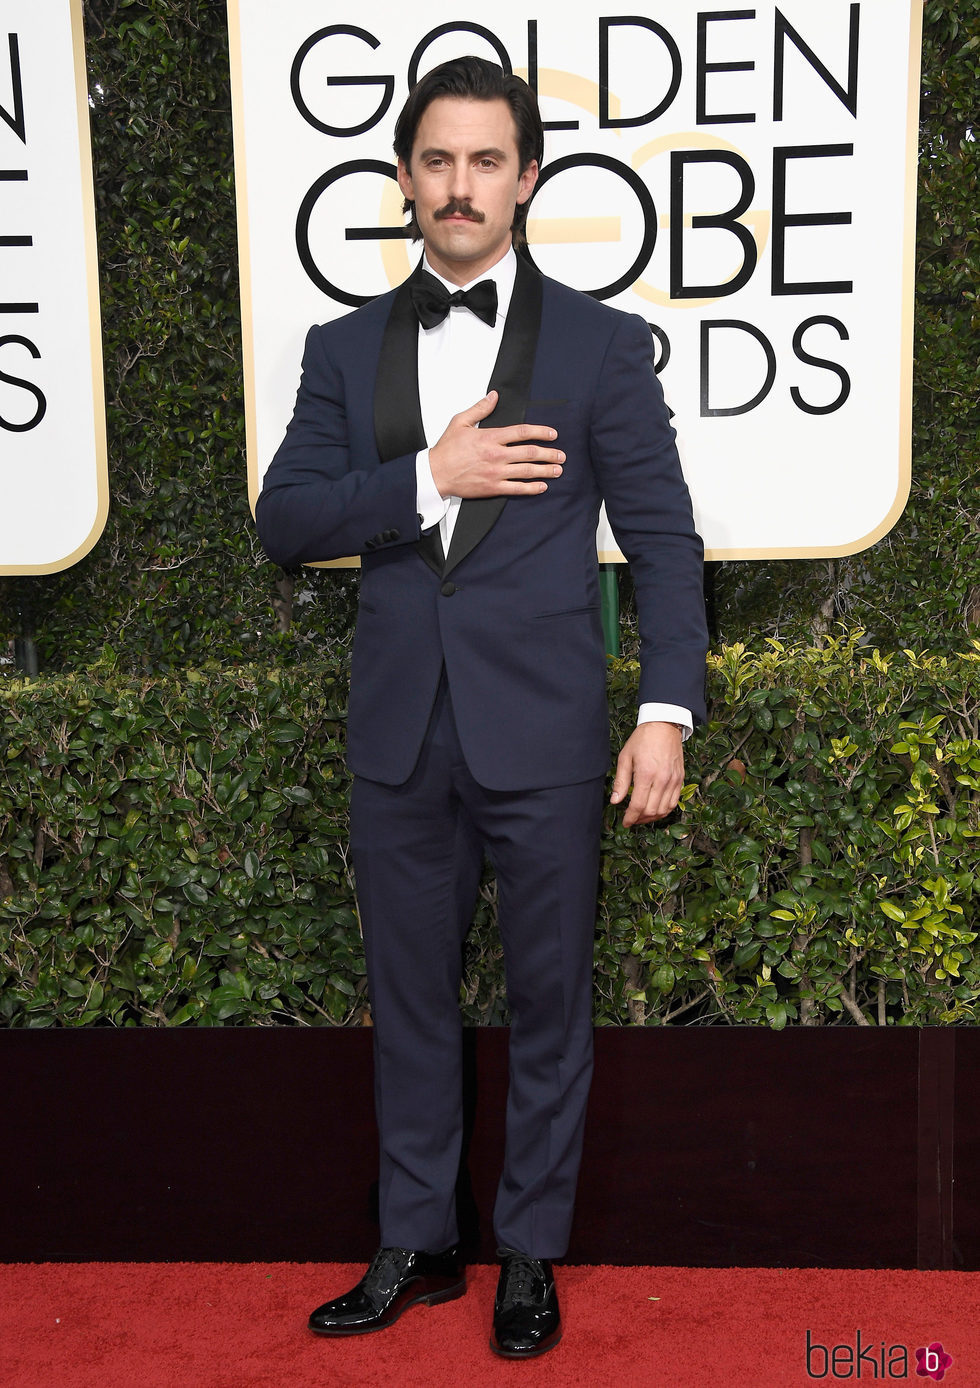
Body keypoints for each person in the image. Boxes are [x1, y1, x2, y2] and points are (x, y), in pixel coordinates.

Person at [256, 55, 708, 1359]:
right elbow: (284, 520)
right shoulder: (343, 350)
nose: (461, 186)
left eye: (486, 161)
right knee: (408, 1001)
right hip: (400, 739)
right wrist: (425, 474)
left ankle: (529, 1254)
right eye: (438, 160)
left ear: (525, 178)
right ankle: (418, 1240)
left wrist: (666, 707)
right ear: (405, 177)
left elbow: (665, 541)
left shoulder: (603, 345)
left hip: (551, 737)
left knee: (552, 1005)